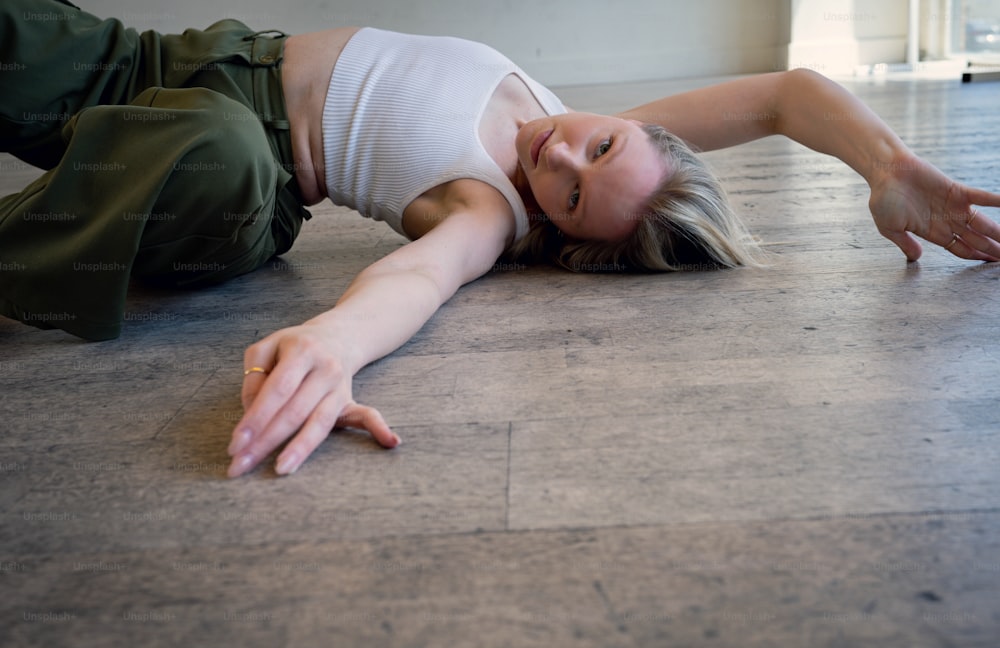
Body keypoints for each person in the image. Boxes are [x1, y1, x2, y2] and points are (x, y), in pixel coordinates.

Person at [3, 1, 999, 478]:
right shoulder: (574, 115)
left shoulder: (487, 210)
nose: (557, 155)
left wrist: (335, 345)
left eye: (567, 196)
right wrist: (888, 166)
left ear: (555, 234)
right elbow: (787, 93)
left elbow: (416, 279)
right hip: (168, 64)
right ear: (636, 126)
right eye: (597, 145)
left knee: (214, 147)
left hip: (234, 171)